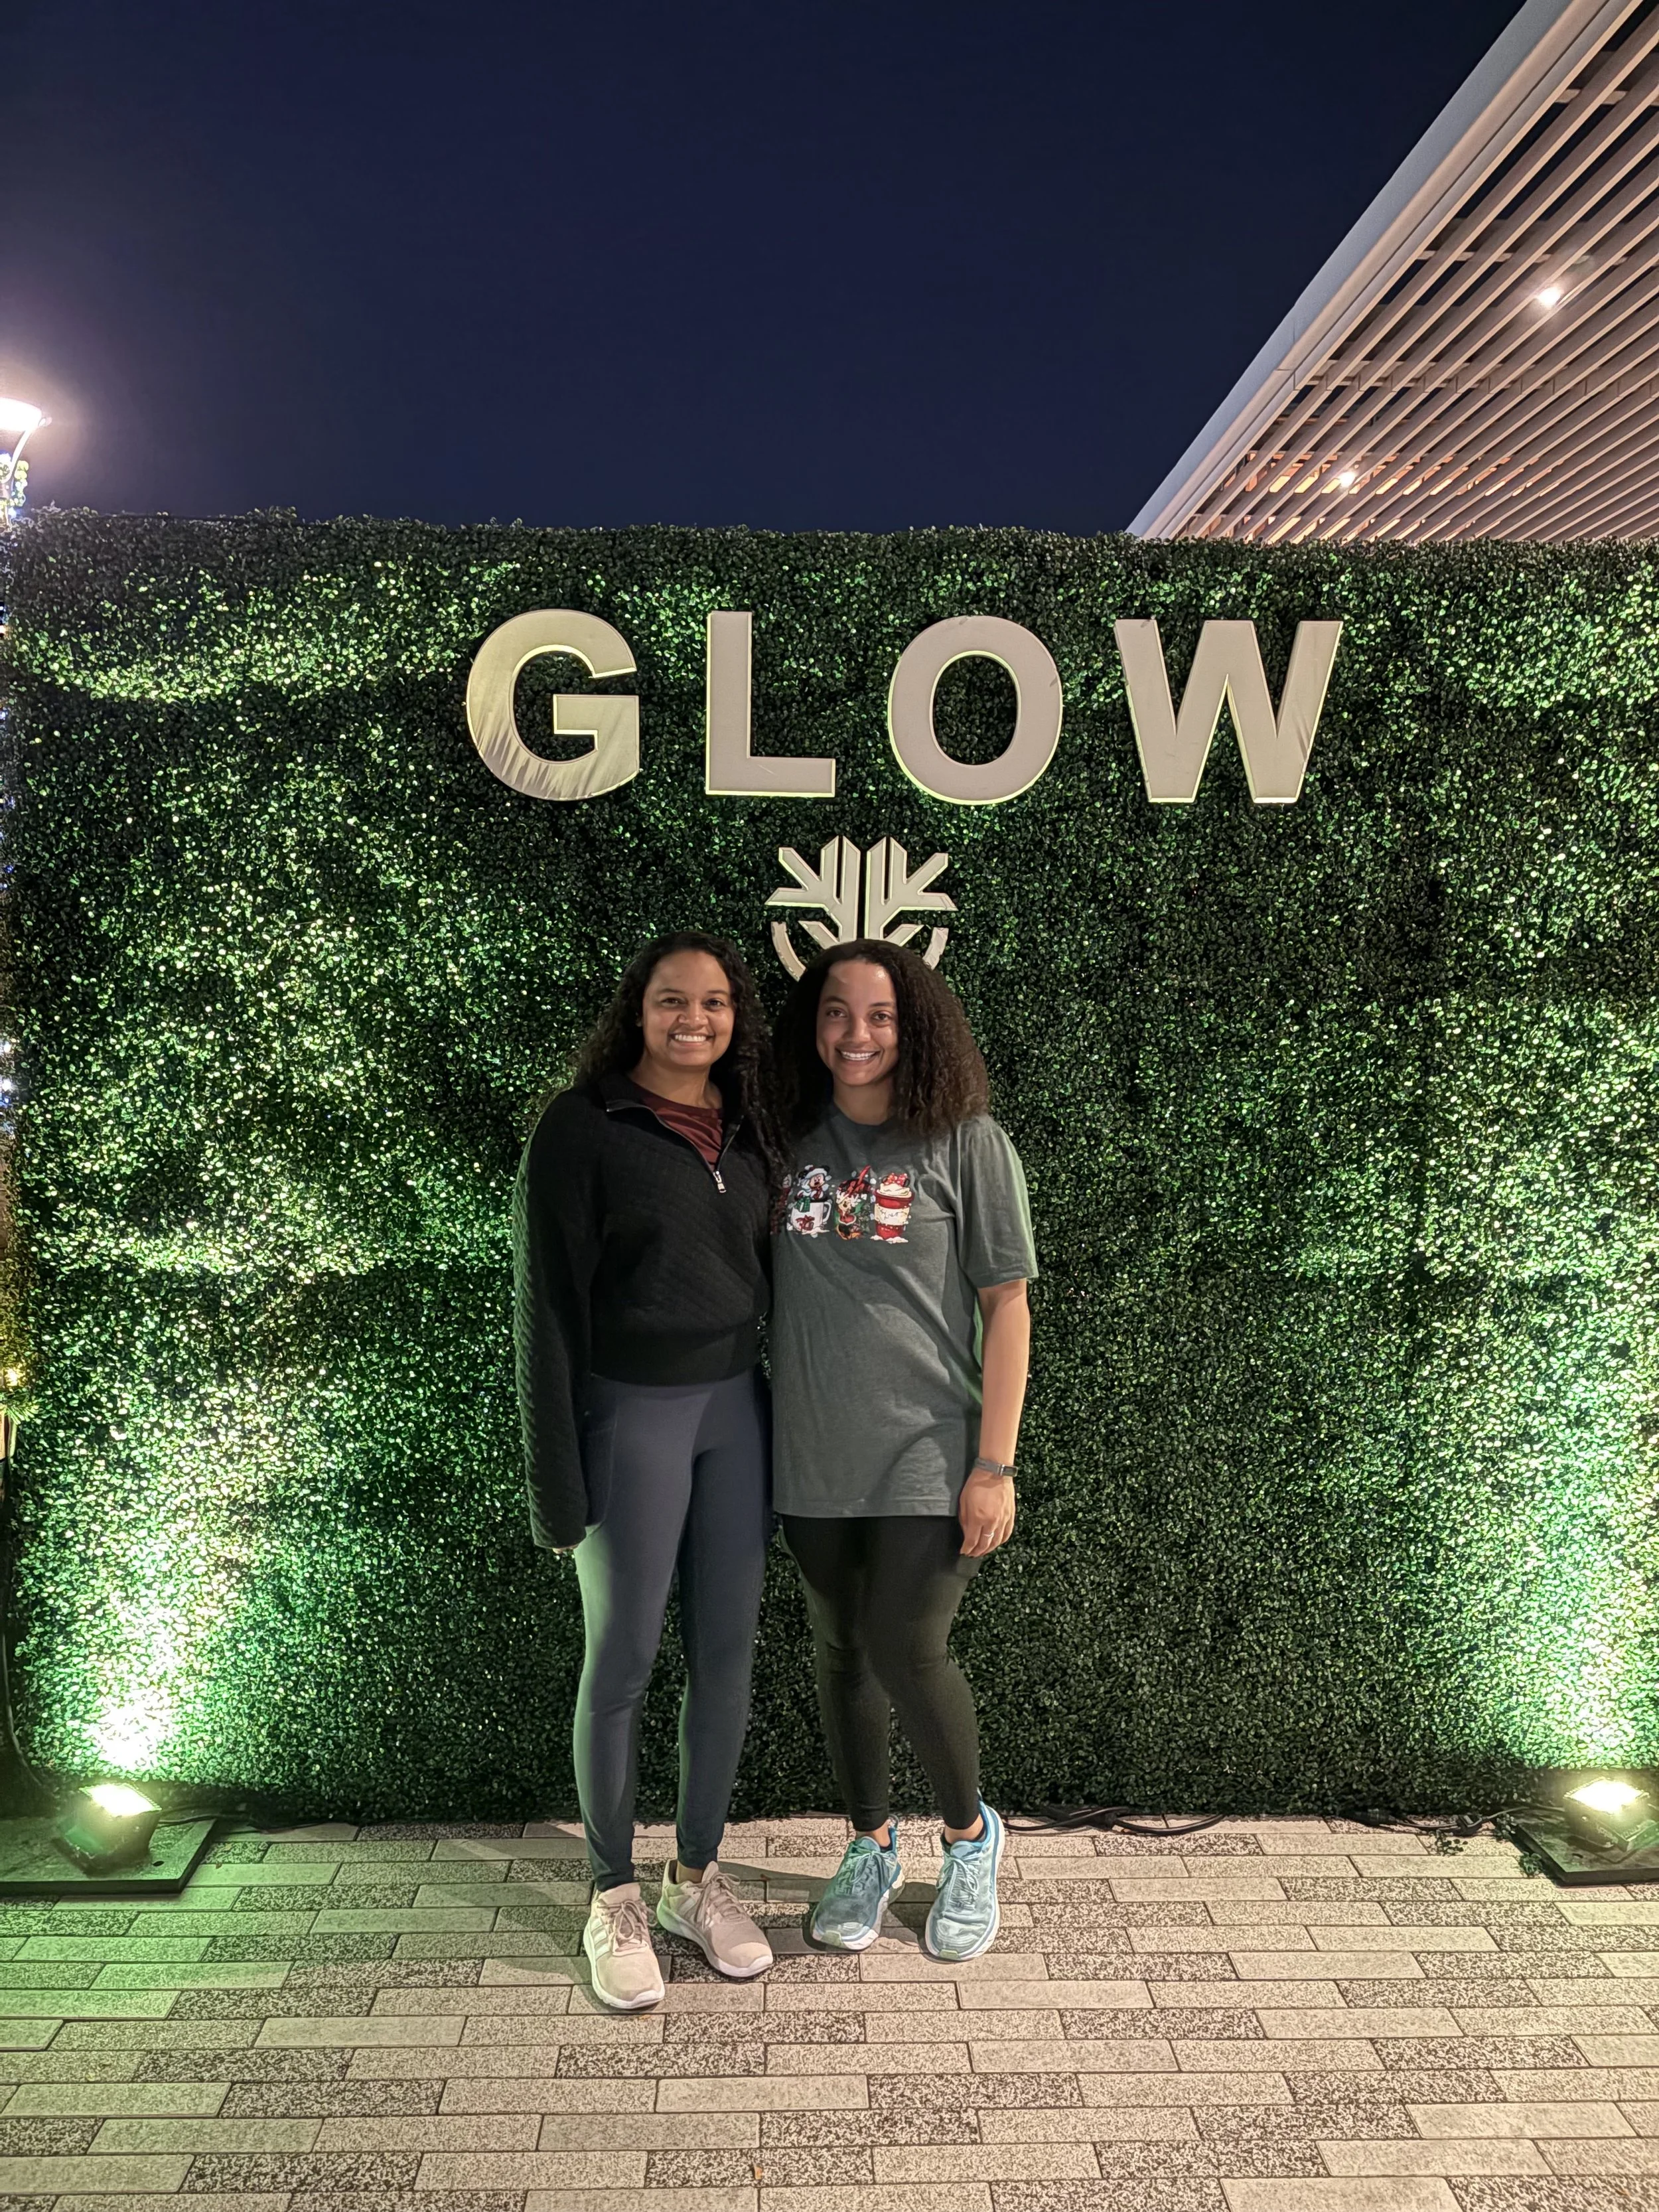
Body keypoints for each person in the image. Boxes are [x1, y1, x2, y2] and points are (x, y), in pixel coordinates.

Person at [512, 932, 786, 2010]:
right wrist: (555, 1484)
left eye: (714, 1003)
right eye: (673, 1001)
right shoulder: (581, 1129)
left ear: (734, 1018)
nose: (694, 1020)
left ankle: (695, 1879)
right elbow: (544, 1316)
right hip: (628, 1418)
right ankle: (612, 1892)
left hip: (738, 1413)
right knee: (622, 1660)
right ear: (638, 1011)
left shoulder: (755, 1128)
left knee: (726, 1654)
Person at [770, 939, 1037, 1960]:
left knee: (904, 1647)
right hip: (811, 1455)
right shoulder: (788, 1139)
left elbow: (1007, 1308)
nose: (856, 1035)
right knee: (840, 1654)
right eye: (837, 1013)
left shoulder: (967, 1143)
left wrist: (995, 1464)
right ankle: (871, 1845)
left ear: (913, 1026)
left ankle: (970, 1838)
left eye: (879, 1016)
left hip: (931, 1451)